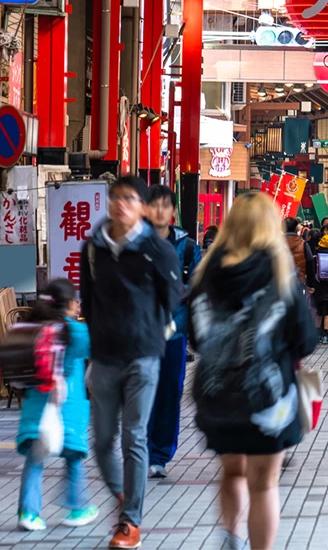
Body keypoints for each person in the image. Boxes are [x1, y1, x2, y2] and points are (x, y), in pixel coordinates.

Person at [189, 191, 319, 550]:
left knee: (231, 472)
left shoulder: (206, 274)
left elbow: (196, 337)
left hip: (216, 395)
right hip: (267, 397)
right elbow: (306, 339)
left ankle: (231, 536)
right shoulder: (278, 272)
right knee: (264, 484)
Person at [79, 175, 183, 549]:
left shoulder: (158, 250)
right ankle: (124, 495)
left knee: (134, 436)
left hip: (143, 355)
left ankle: (130, 522)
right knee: (103, 440)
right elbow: (87, 302)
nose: (120, 204)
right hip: (105, 356)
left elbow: (173, 297)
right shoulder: (93, 248)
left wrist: (150, 329)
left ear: (142, 206)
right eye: (114, 197)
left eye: (128, 198)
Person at [15, 279, 98, 532]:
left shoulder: (29, 330)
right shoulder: (76, 332)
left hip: (35, 410)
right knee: (73, 459)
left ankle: (28, 513)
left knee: (34, 461)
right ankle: (78, 507)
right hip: (67, 410)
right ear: (72, 304)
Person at [144, 184, 198, 482]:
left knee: (168, 394)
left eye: (166, 205)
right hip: (141, 333)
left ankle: (159, 455)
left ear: (173, 211)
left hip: (175, 334)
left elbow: (201, 285)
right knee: (140, 394)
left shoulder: (187, 246)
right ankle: (141, 450)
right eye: (155, 205)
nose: (161, 210)